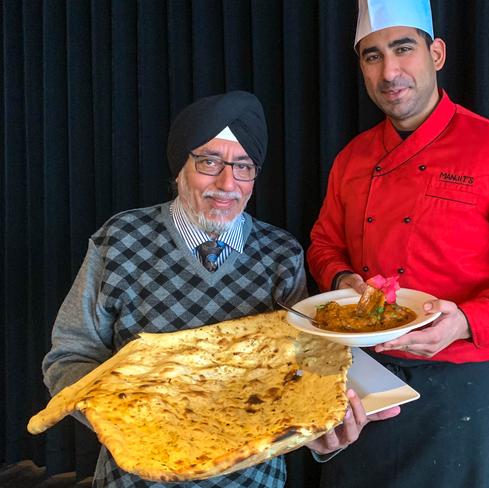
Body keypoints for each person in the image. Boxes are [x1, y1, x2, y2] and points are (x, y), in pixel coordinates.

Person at [306, 1, 489, 487]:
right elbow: (323, 244)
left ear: (436, 53)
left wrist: (467, 321)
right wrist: (343, 280)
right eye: (372, 56)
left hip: (463, 389)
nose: (389, 71)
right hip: (363, 380)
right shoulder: (351, 158)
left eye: (403, 49)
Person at [42, 91, 309, 488]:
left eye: (243, 166)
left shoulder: (281, 254)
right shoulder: (121, 240)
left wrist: (325, 435)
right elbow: (69, 356)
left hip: (252, 478)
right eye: (209, 161)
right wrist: (126, 419)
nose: (226, 183)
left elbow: (305, 369)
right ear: (180, 167)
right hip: (136, 476)